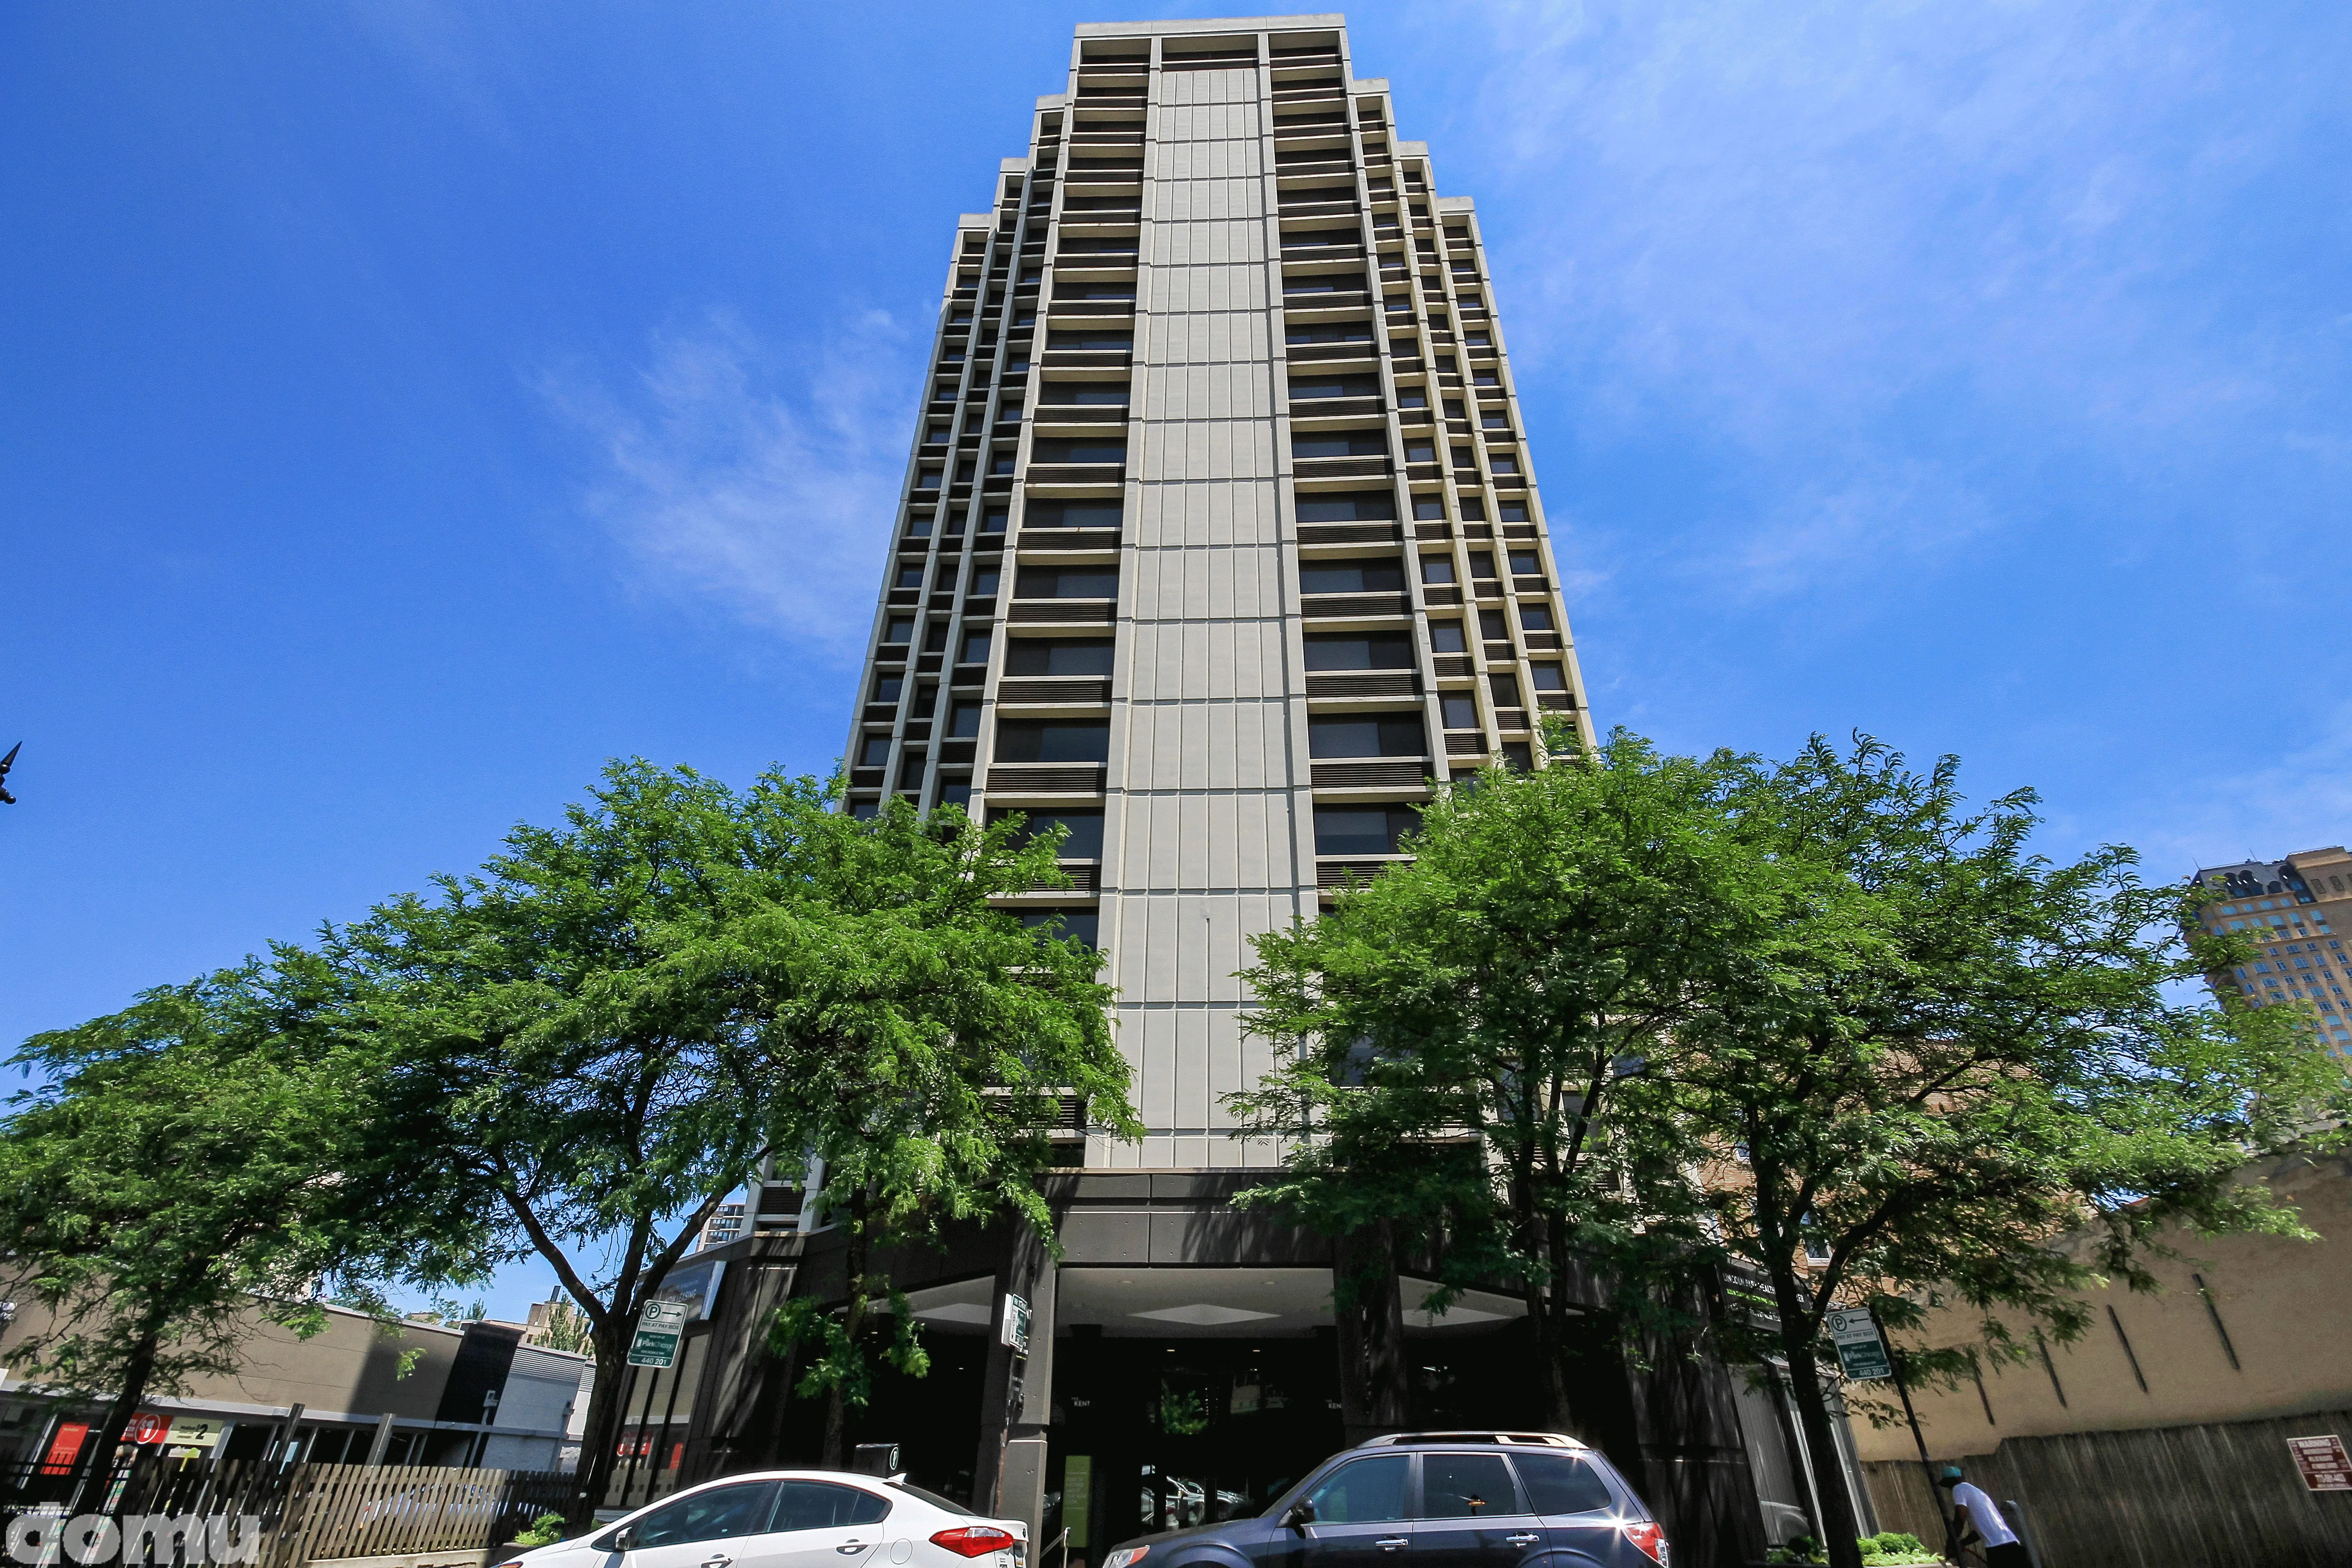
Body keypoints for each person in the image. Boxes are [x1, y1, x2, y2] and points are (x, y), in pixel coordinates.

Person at [1936, 1465, 2027, 1567]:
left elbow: (1959, 1520)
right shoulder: (1976, 1492)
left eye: (1949, 1485)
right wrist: (1961, 1544)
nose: (1950, 1489)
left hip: (1999, 1550)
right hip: (2012, 1544)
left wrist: (1950, 1544)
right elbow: (1978, 1533)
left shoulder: (1959, 1488)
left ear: (1955, 1481)